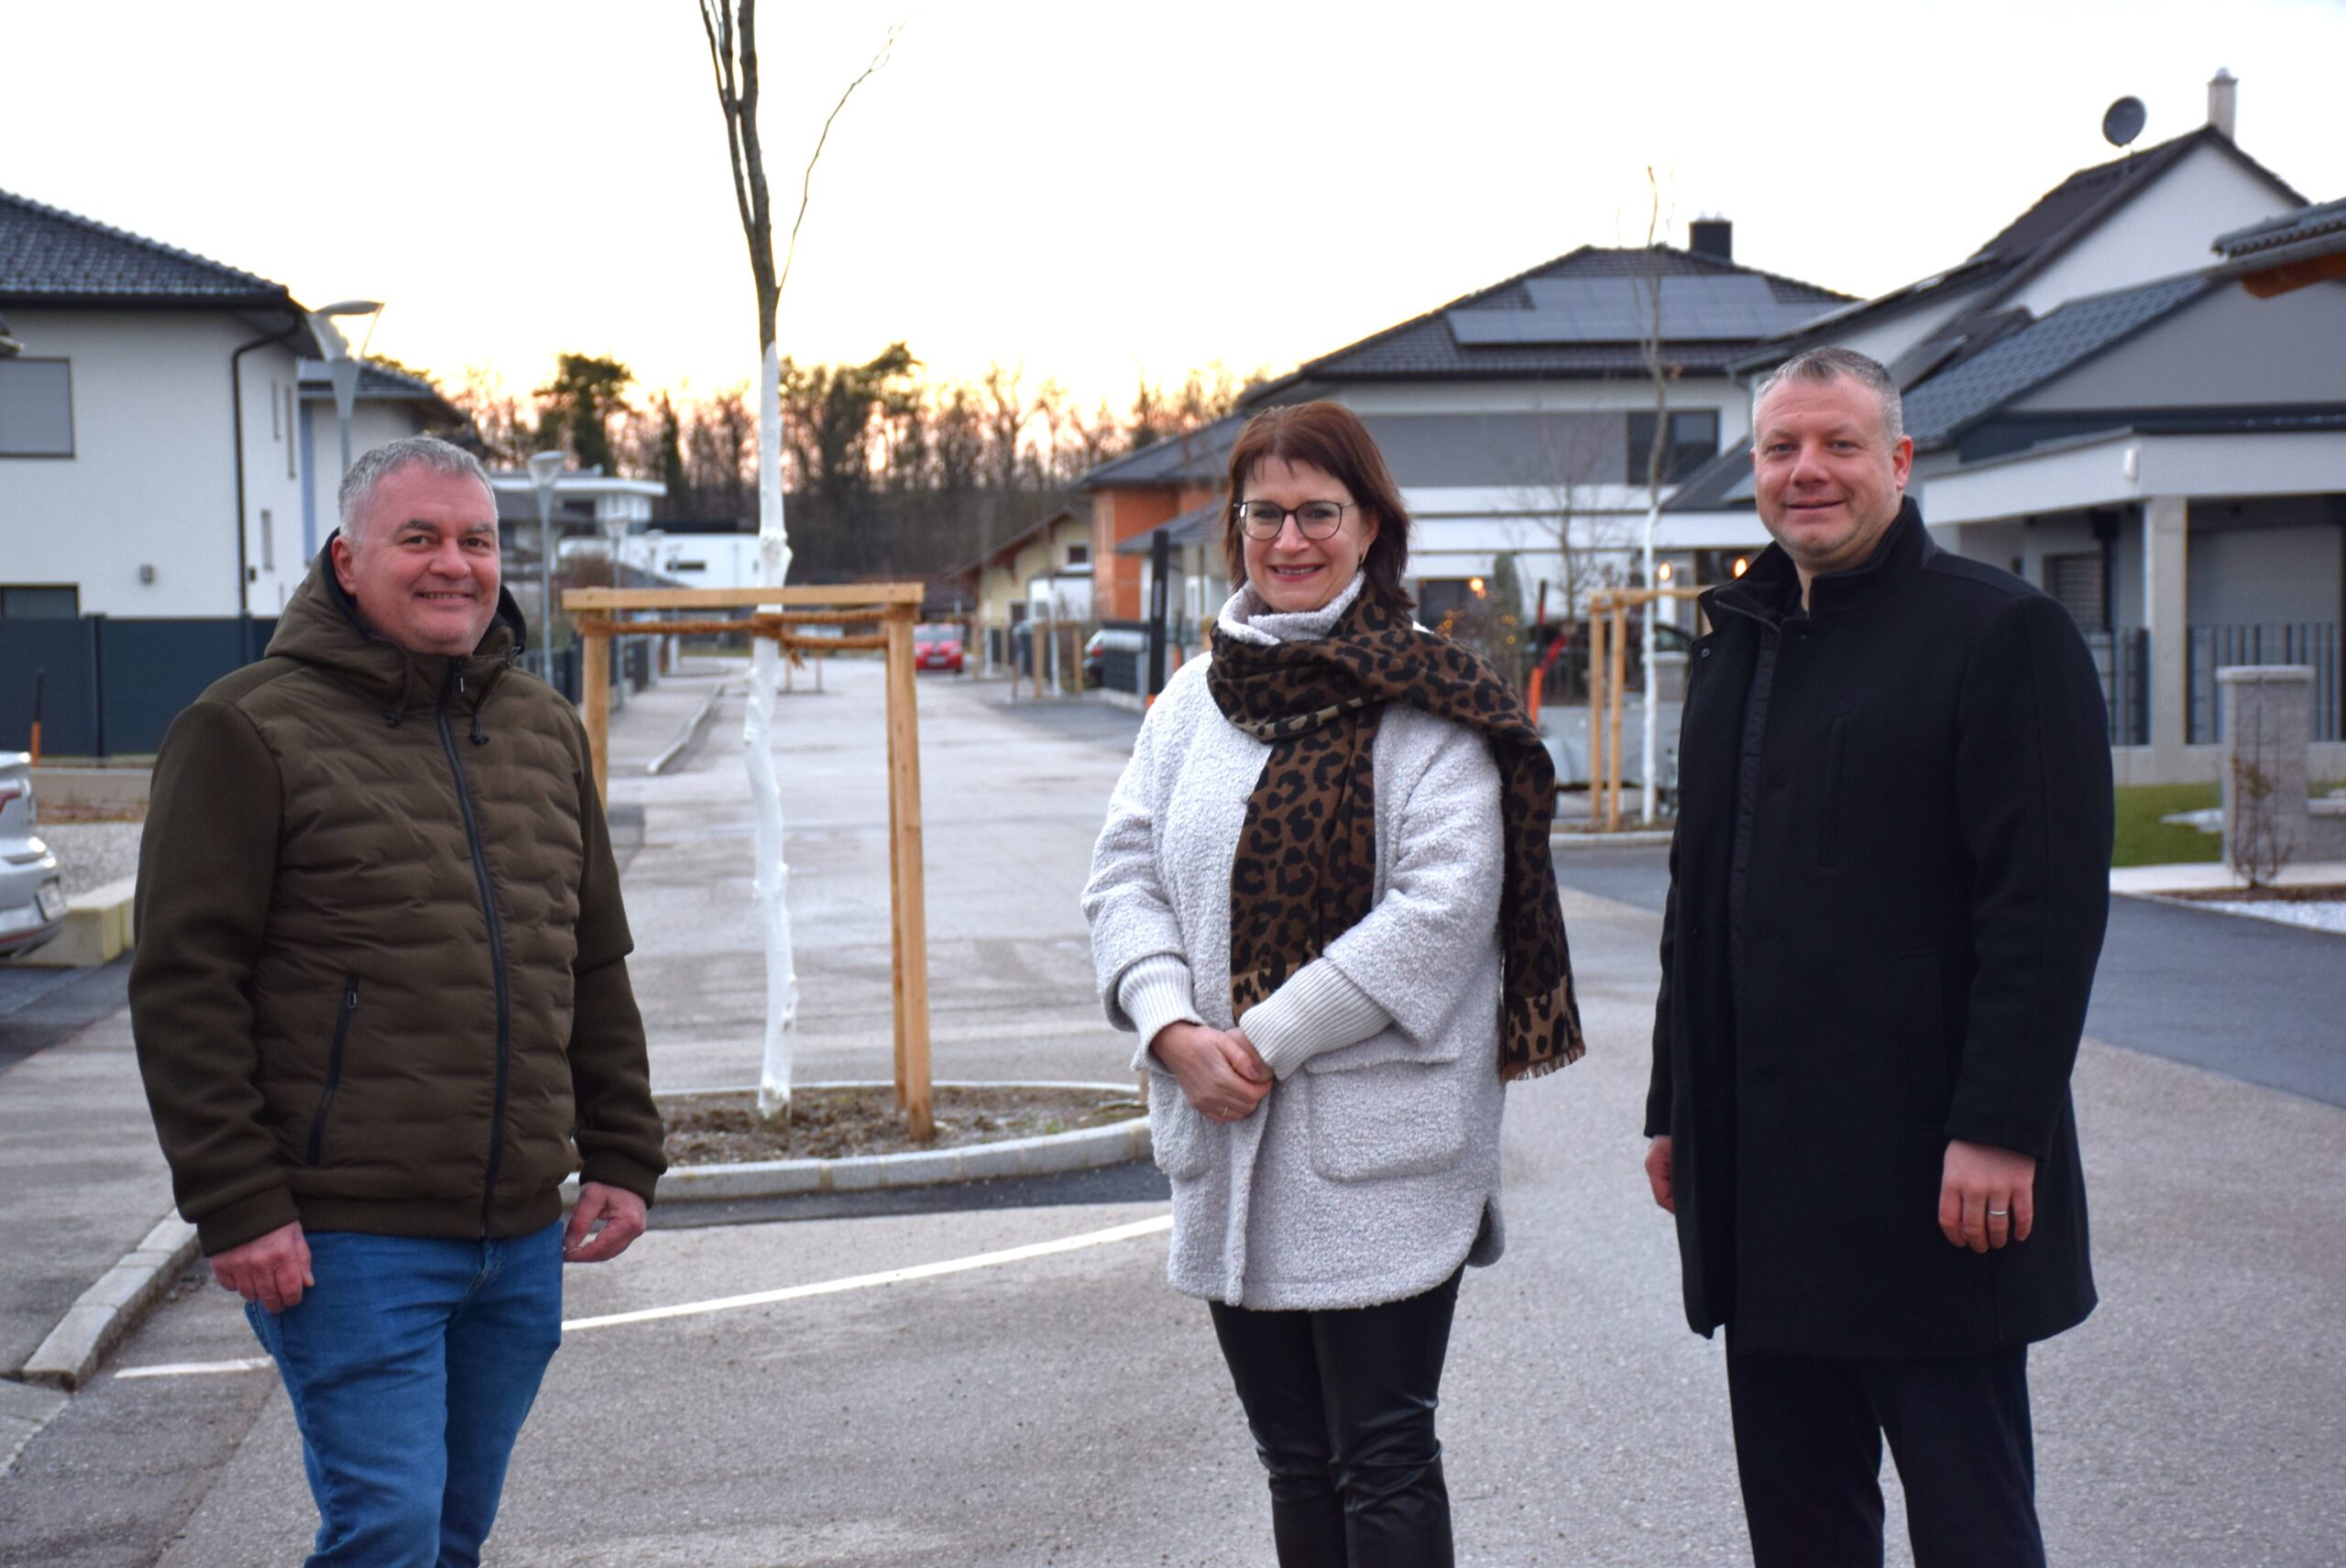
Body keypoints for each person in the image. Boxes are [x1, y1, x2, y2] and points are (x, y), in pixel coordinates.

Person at [130, 434, 667, 1568]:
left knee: (452, 1533)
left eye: (475, 540)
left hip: (518, 1231)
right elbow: (186, 986)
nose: (453, 564)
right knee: (388, 1529)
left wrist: (622, 1150)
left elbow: (593, 960)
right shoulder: (244, 727)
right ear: (346, 558)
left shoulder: (540, 729)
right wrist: (236, 1202)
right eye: (416, 537)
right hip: (346, 1236)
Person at [1083, 401, 1582, 1567]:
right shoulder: (1195, 699)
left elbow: (1441, 911)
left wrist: (1256, 1039)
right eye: (1267, 513)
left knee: (1383, 1457)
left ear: (1369, 528)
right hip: (1223, 1135)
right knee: (1294, 1462)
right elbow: (1121, 878)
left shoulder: (1433, 699)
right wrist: (1168, 1028)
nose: (1290, 539)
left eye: (1319, 512)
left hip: (1379, 1153)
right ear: (1237, 528)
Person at [1643, 347, 2112, 1567]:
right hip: (1766, 1172)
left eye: (1840, 444)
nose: (1809, 471)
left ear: (1898, 461)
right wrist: (1674, 1105)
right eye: (1783, 447)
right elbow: (1702, 894)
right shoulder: (1738, 639)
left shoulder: (2003, 633)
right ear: (1754, 469)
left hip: (1933, 1177)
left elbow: (2046, 908)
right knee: (1802, 1529)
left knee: (1971, 1525)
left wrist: (2001, 1124)